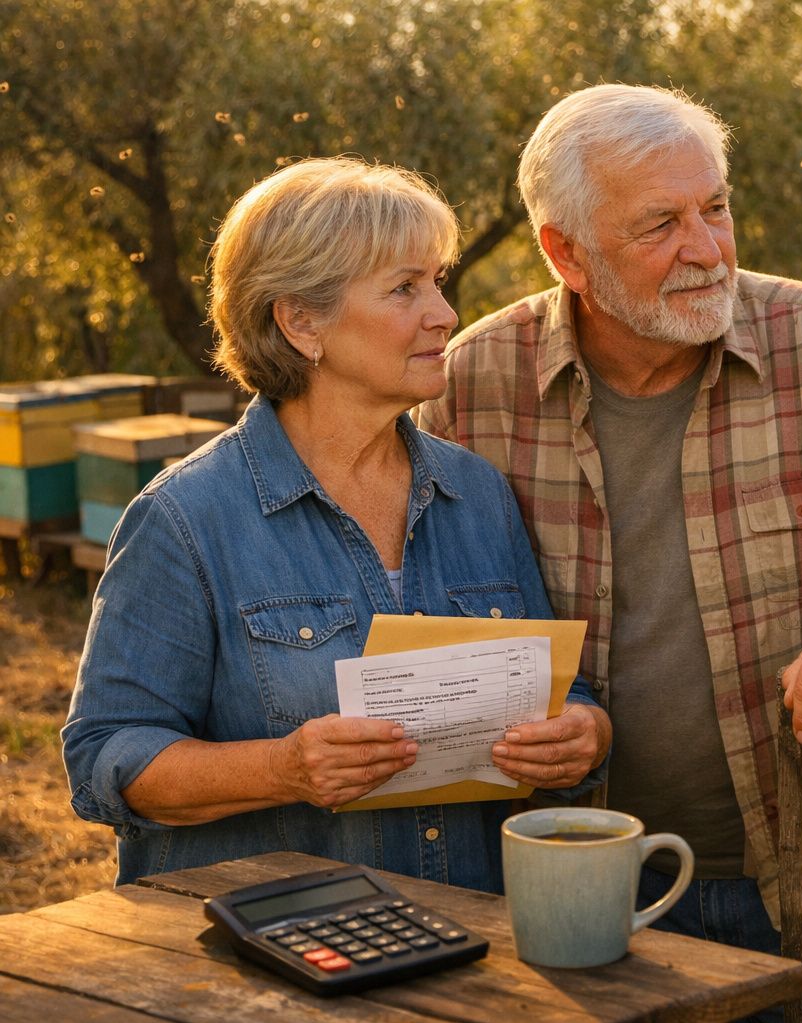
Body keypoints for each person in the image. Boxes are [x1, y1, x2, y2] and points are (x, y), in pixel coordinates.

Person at [414, 84, 802, 968]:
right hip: (579, 886)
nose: (707, 250)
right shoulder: (472, 385)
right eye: (660, 226)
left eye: (717, 209)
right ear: (566, 254)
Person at [62, 157, 610, 892]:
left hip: (468, 942)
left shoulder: (476, 493)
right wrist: (282, 768)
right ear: (301, 322)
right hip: (275, 958)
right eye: (404, 289)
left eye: (437, 283)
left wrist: (583, 735)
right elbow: (104, 757)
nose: (444, 314)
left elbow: (558, 695)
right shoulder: (185, 519)